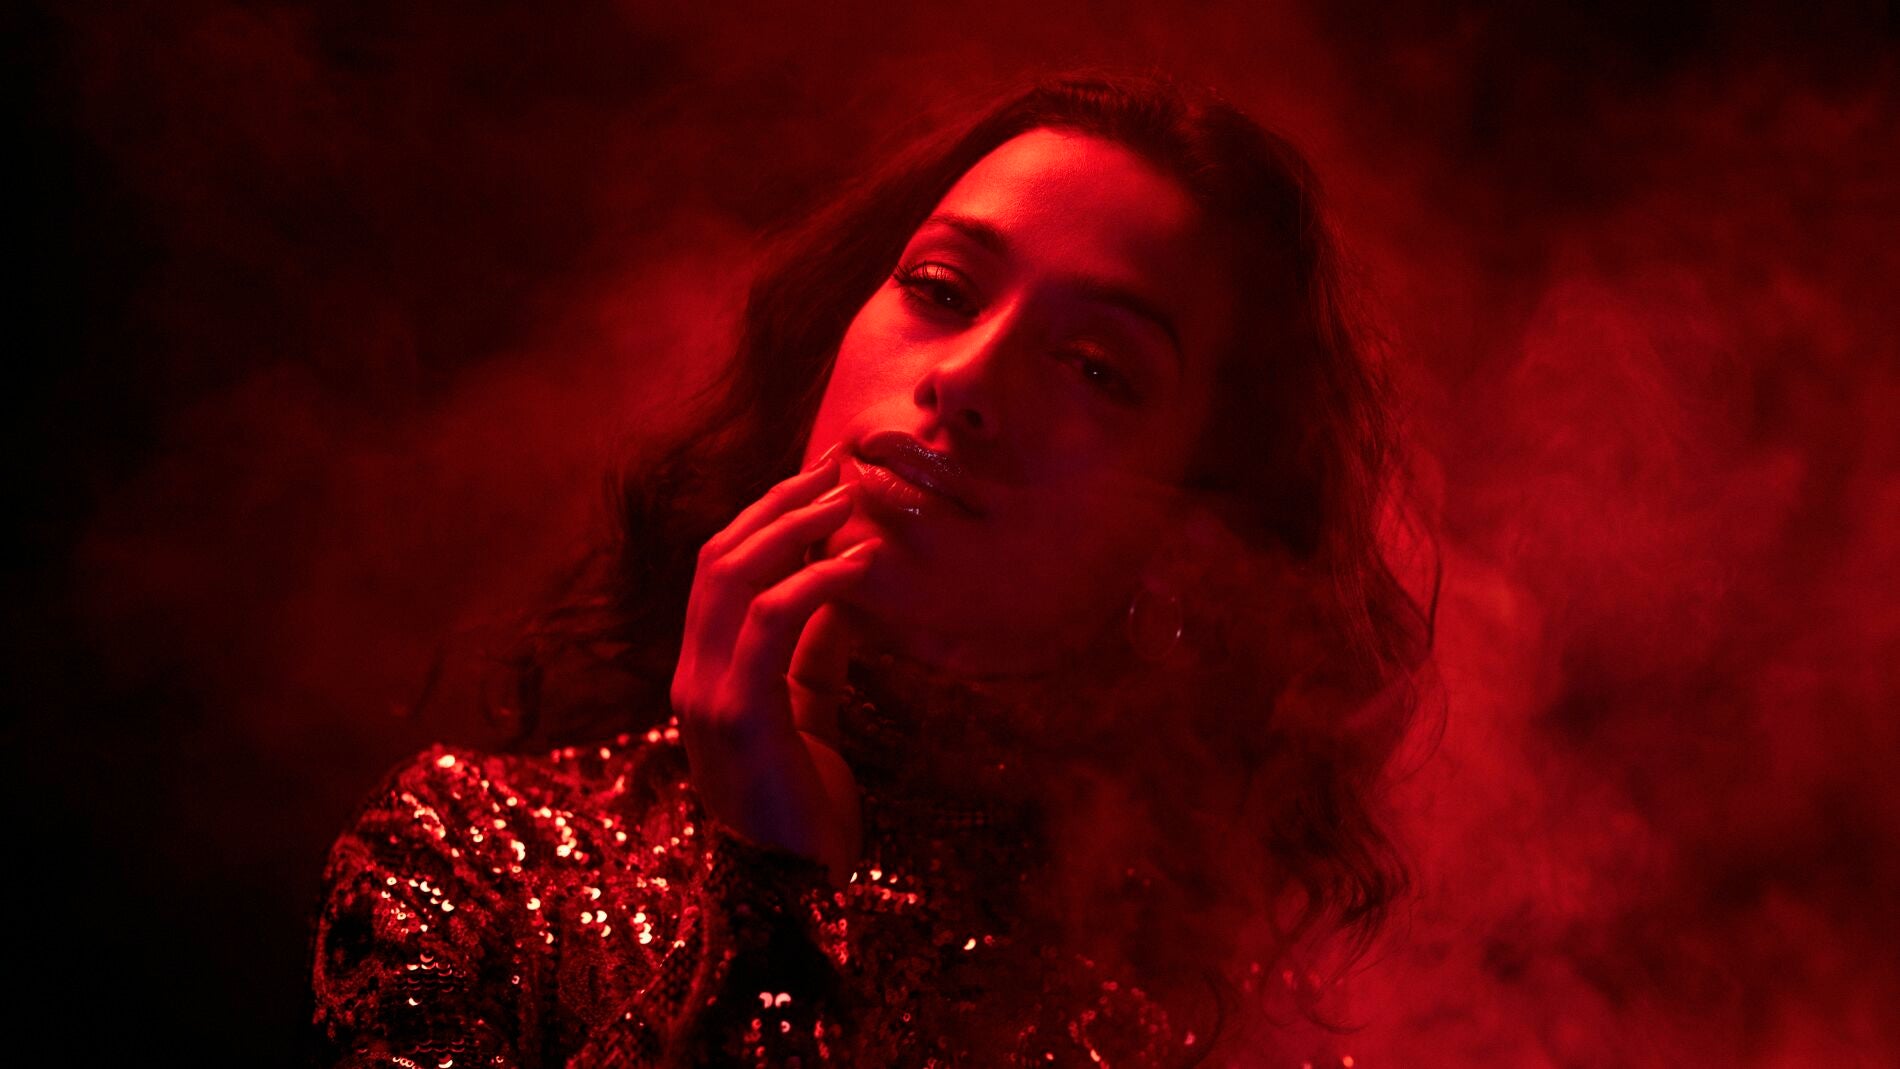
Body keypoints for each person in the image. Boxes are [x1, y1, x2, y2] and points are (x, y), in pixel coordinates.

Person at [308, 68, 1438, 1067]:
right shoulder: (476, 859)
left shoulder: (1208, 1029)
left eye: (1097, 367)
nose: (970, 377)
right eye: (941, 289)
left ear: (1196, 539)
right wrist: (767, 903)